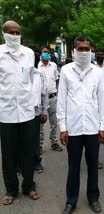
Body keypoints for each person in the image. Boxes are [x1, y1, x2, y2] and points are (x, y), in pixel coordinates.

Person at [57, 35, 104, 214]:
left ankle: (93, 198)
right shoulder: (66, 71)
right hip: (74, 128)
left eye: (88, 49)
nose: (85, 52)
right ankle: (71, 200)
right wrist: (63, 127)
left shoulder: (97, 72)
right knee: (74, 167)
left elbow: (102, 101)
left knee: (93, 165)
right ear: (74, 50)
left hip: (93, 127)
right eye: (81, 49)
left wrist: (102, 126)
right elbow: (61, 100)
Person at [0, 20, 40, 205]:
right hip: (6, 112)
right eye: (11, 32)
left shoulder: (29, 54)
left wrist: (35, 106)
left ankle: (29, 186)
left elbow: (31, 82)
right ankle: (11, 189)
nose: (15, 36)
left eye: (17, 32)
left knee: (29, 152)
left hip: (26, 112)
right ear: (4, 33)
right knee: (8, 154)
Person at [38, 45, 63, 153]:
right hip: (40, 99)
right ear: (40, 53)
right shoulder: (36, 66)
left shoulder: (53, 65)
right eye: (45, 52)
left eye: (48, 52)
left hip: (53, 97)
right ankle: (39, 145)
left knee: (54, 123)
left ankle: (54, 142)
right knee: (40, 124)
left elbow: (57, 80)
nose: (47, 54)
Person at [32, 58, 49, 173]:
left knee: (35, 139)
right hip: (19, 113)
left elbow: (44, 94)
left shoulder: (39, 75)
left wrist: (44, 112)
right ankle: (18, 165)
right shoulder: (16, 73)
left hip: (35, 113)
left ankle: (36, 162)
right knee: (19, 141)